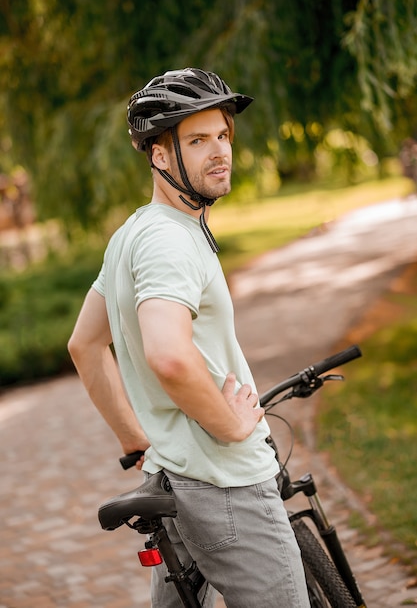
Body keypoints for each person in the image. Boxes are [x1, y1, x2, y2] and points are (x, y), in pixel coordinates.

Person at [68, 68, 309, 608]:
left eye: (222, 134)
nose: (219, 151)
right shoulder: (169, 243)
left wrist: (136, 441)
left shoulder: (131, 234)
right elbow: (170, 358)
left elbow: (84, 346)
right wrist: (232, 425)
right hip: (226, 483)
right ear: (158, 155)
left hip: (173, 478)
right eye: (197, 140)